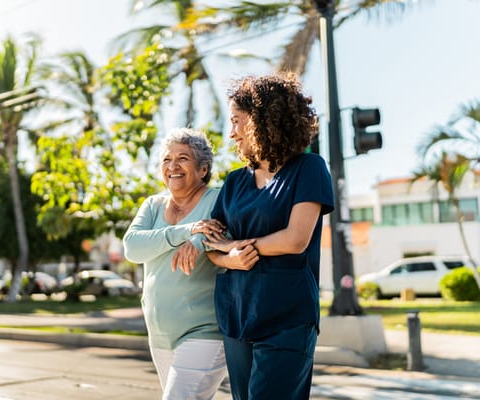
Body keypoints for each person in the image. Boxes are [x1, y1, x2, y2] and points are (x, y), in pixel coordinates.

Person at [204, 73, 335, 400]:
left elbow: (295, 240)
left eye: (236, 121)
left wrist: (235, 247)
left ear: (262, 120)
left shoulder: (309, 168)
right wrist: (228, 258)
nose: (231, 132)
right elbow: (211, 244)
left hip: (287, 318)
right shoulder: (234, 182)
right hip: (237, 315)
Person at [122, 127, 228, 400]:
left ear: (203, 169)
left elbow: (221, 233)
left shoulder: (217, 199)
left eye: (183, 158)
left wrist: (198, 239)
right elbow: (132, 247)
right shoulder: (153, 205)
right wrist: (186, 231)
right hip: (159, 333)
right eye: (167, 160)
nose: (173, 166)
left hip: (204, 330)